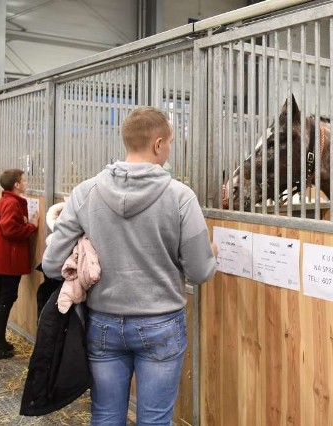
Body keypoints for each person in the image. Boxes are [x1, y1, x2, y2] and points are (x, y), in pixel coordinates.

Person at [42, 107, 218, 425]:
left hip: (103, 324)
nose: (169, 149)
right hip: (161, 324)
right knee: (154, 419)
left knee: (106, 416)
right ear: (158, 143)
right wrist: (208, 253)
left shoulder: (85, 193)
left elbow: (52, 264)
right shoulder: (181, 197)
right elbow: (200, 272)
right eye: (171, 143)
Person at [0, 169, 39, 359]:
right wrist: (31, 226)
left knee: (0, 297)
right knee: (6, 297)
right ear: (16, 184)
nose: (25, 183)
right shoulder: (12, 203)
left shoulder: (1, 202)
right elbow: (9, 229)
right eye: (23, 180)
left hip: (0, 257)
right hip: (8, 259)